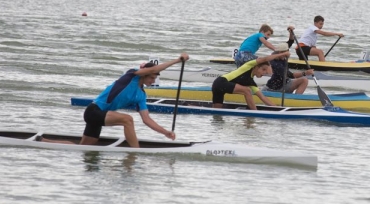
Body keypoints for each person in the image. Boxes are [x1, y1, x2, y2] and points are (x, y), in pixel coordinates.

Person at [44, 54, 190, 147]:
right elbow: (153, 68)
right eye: (151, 77)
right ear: (144, 75)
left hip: (101, 116)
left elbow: (147, 119)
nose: (153, 80)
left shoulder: (141, 96)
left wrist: (165, 133)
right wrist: (178, 60)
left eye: (155, 78)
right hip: (93, 111)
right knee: (127, 119)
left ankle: (45, 143)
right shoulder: (131, 76)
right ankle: (135, 151)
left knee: (84, 147)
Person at [212, 51, 291, 109]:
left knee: (217, 113)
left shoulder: (251, 83)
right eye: (263, 69)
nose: (264, 73)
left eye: (265, 71)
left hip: (218, 86)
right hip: (221, 82)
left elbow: (263, 98)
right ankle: (254, 113)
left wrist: (276, 108)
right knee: (247, 91)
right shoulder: (249, 65)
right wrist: (283, 54)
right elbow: (266, 59)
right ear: (256, 67)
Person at [265, 27, 315, 94]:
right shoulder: (275, 63)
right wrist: (305, 73)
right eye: (282, 53)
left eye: (285, 53)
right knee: (303, 79)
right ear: (278, 52)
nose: (284, 55)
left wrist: (291, 32)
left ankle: (297, 98)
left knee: (304, 80)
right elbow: (291, 75)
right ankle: (293, 100)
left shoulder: (280, 51)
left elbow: (291, 41)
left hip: (286, 82)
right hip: (276, 88)